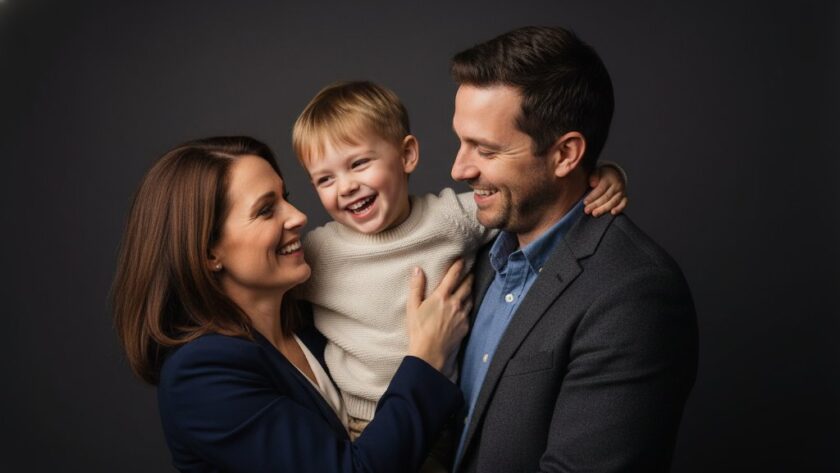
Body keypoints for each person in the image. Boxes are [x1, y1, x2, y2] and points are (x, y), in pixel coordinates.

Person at [111, 136, 474, 473]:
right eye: (267, 210)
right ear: (209, 253)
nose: (298, 216)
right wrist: (426, 358)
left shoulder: (311, 319)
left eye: (286, 197)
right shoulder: (199, 379)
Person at [290, 81, 628, 440]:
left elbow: (529, 199)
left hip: (450, 420)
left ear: (407, 155)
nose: (345, 187)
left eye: (358, 164)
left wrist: (605, 176)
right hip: (365, 426)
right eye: (324, 179)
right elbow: (255, 288)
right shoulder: (320, 253)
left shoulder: (450, 218)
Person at [449, 27, 699, 472]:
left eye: (485, 149)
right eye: (461, 141)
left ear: (565, 154)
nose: (459, 168)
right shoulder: (477, 245)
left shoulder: (634, 294)